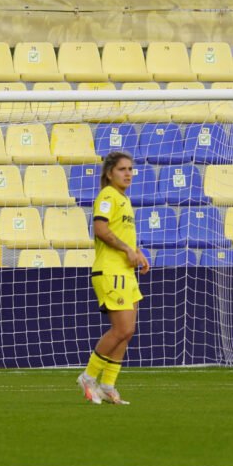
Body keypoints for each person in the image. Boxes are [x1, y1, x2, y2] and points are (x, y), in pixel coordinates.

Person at [77, 151, 150, 405]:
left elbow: (121, 234)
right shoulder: (107, 195)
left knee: (128, 332)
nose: (128, 173)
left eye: (130, 169)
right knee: (123, 328)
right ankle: (88, 377)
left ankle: (108, 384)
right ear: (110, 173)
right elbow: (100, 230)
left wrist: (137, 253)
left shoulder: (124, 199)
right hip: (110, 271)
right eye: (122, 169)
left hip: (125, 271)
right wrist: (127, 250)